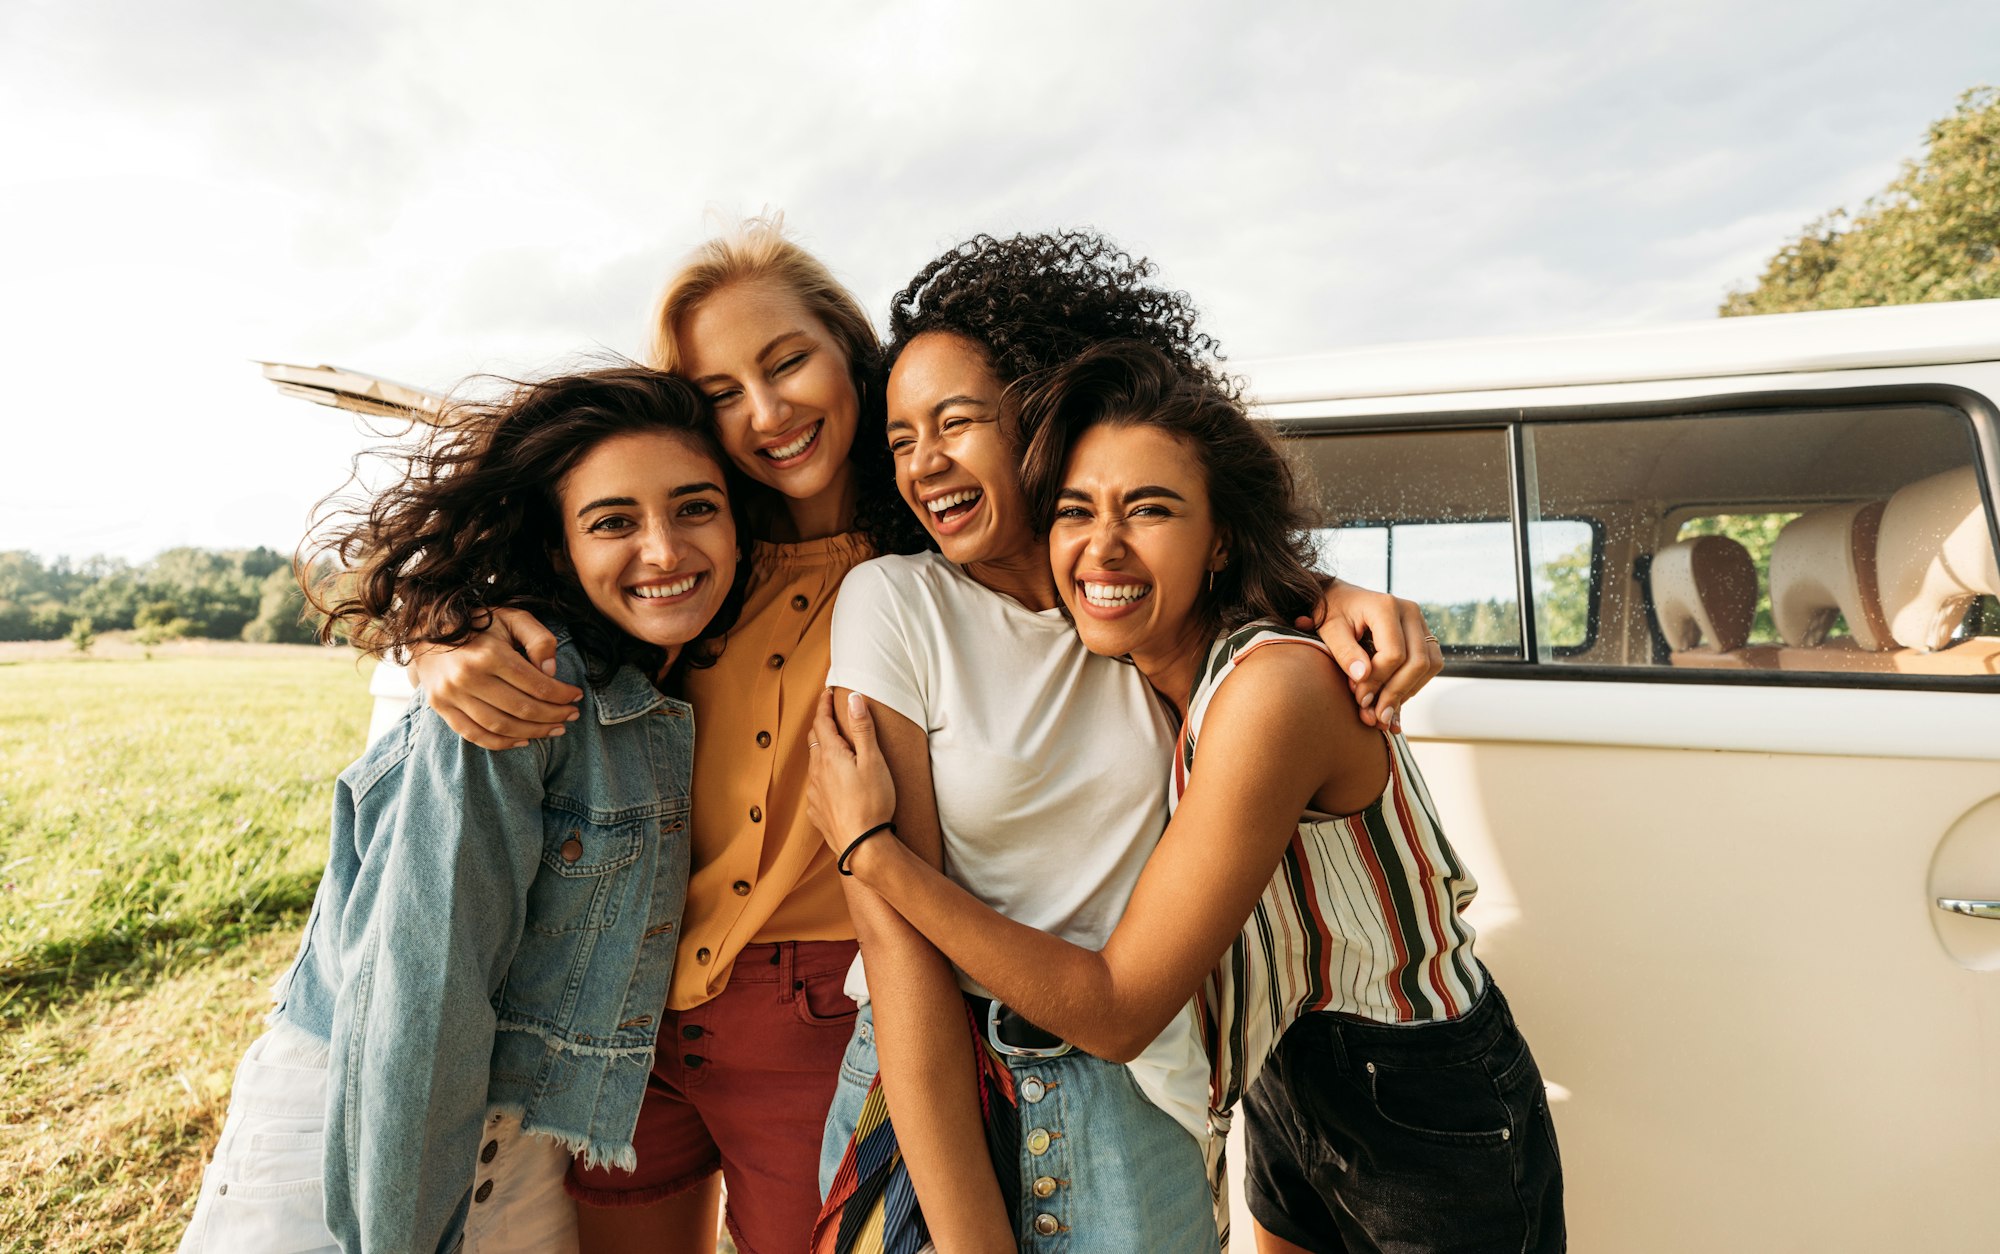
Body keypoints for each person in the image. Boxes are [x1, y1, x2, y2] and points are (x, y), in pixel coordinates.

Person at [409, 222, 1442, 1254]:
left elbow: (1149, 556)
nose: (765, 413)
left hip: (831, 1011)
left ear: (849, 358)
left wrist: (1319, 592)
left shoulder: (946, 558)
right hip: (638, 1004)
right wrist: (435, 633)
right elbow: (553, 578)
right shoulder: (697, 549)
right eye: (720, 393)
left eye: (787, 362)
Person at [810, 341, 1565, 1254]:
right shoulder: (1136, 660)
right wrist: (1325, 589)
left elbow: (1120, 1009)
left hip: (1413, 1086)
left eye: (1149, 509)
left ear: (1218, 538)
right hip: (1282, 1069)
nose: (1102, 544)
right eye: (1075, 511)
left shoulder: (1272, 690)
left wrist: (874, 856)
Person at [177, 366, 749, 1254]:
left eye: (696, 507)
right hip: (364, 1140)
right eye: (614, 522)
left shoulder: (651, 687)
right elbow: (418, 1006)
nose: (665, 550)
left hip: (515, 1146)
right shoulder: (519, 690)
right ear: (559, 548)